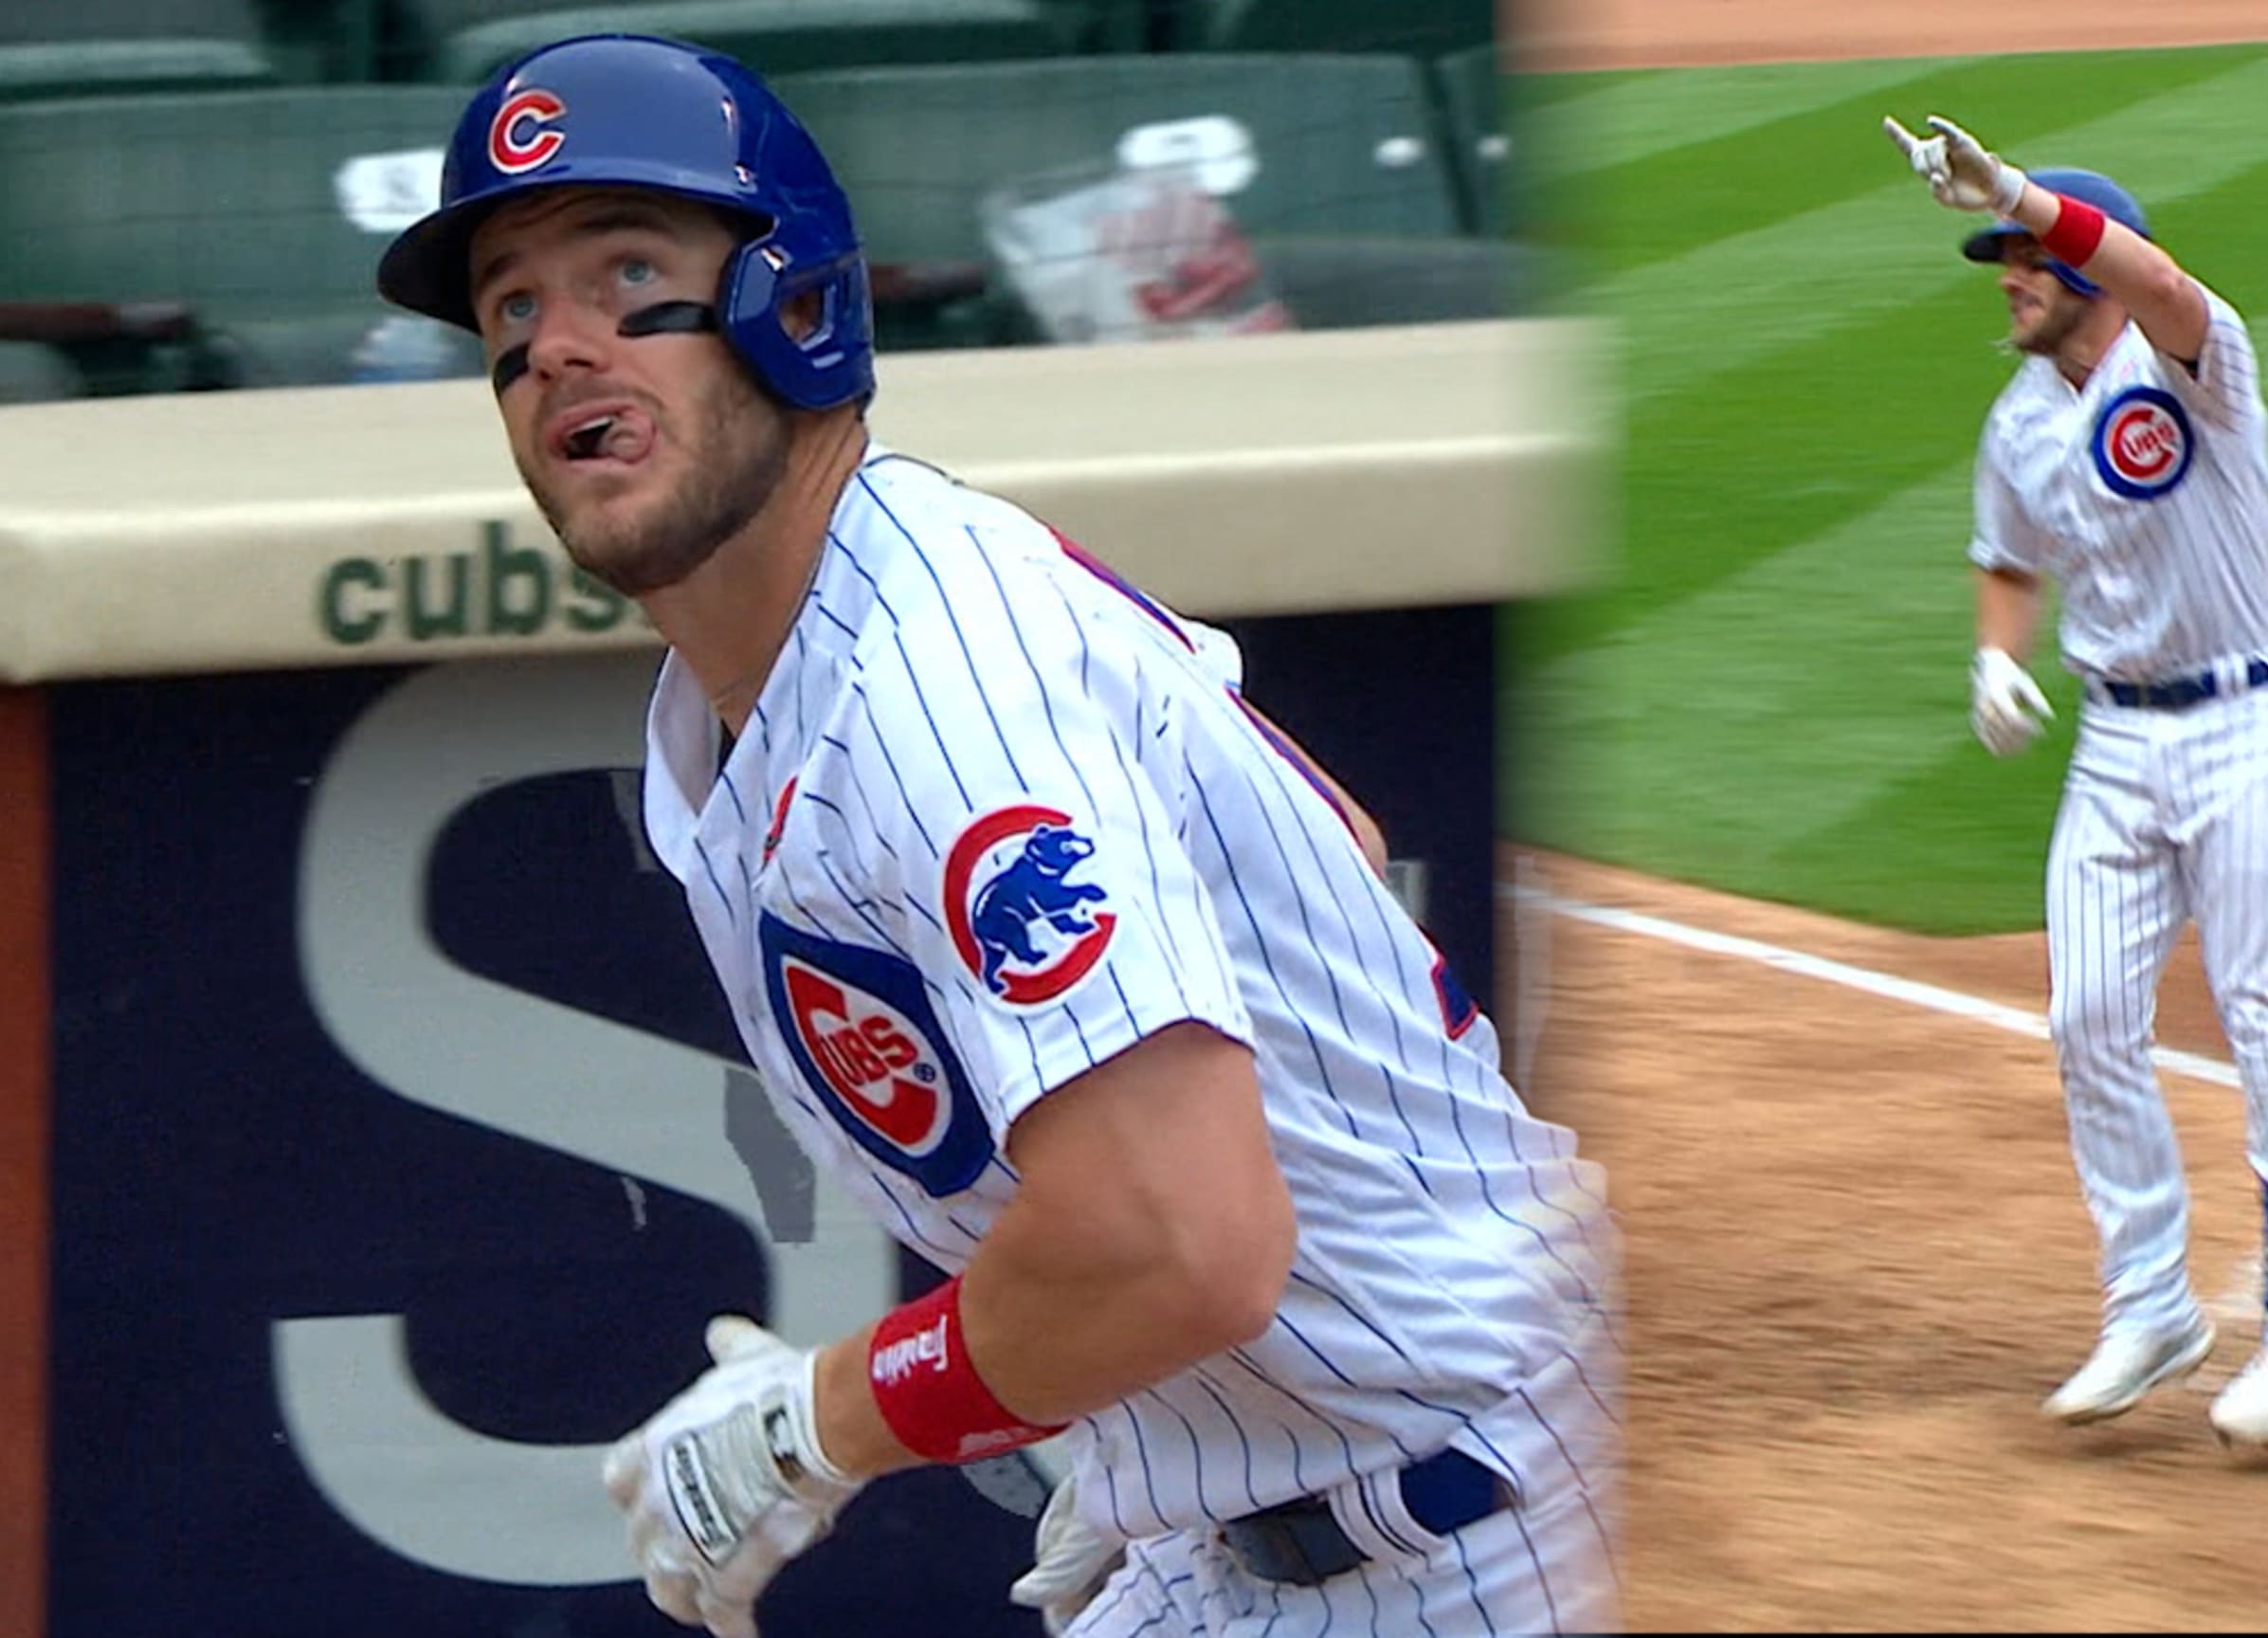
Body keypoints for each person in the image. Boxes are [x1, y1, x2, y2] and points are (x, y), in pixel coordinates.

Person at [373, 34, 1620, 1637]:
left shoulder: (930, 682)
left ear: (796, 305)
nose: (559, 348)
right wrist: (1163, 1413)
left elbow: (1181, 1243)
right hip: (1295, 1514)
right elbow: (1328, 849)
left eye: (629, 274)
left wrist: (820, 1423)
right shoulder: (752, 691)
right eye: (513, 309)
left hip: (1484, 1528)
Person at [1878, 114, 2268, 1448]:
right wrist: (1995, 661)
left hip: (2250, 726)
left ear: (2090, 267)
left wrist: (2030, 192)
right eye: (2002, 255)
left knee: (2266, 1012)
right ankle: (2150, 1300)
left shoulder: (2200, 365)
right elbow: (2007, 556)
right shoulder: (2019, 418)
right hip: (2117, 746)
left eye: (2025, 256)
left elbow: (2161, 282)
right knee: (2090, 1014)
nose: (2008, 273)